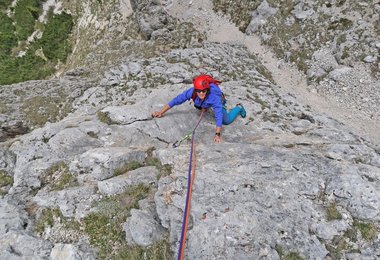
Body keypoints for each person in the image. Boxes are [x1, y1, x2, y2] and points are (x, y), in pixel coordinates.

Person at [152, 75, 246, 143]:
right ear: (195, 90)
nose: (201, 93)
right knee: (198, 105)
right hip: (205, 103)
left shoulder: (214, 97)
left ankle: (239, 107)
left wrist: (217, 134)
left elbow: (218, 115)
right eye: (198, 91)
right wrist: (161, 112)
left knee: (226, 120)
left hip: (220, 101)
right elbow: (176, 100)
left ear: (207, 90)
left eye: (203, 91)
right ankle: (204, 105)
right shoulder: (191, 92)